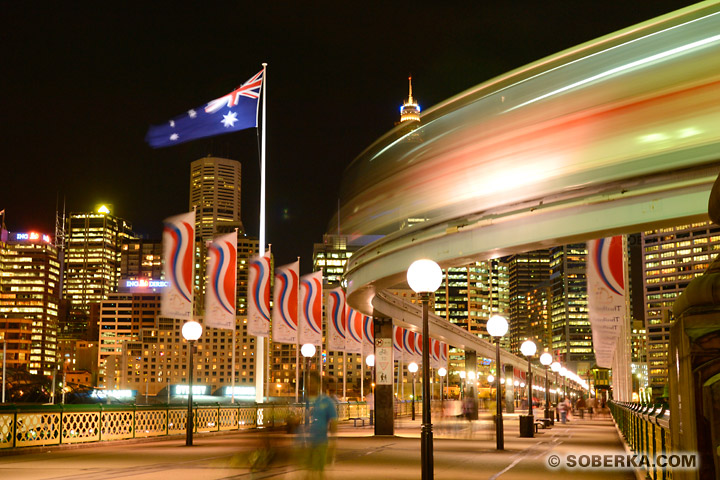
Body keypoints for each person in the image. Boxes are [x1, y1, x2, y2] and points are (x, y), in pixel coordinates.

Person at [306, 373, 338, 478]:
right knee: (311, 471)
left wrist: (333, 443)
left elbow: (333, 421)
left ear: (319, 385)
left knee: (318, 470)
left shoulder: (327, 401)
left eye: (312, 383)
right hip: (309, 441)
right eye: (309, 383)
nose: (310, 385)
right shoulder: (310, 401)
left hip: (321, 441)